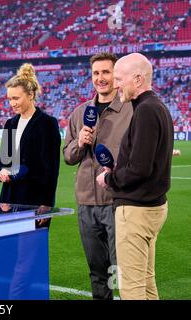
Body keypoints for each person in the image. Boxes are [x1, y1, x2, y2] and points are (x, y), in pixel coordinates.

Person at [96, 53, 174, 300]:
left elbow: (139, 169)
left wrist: (109, 179)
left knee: (131, 288)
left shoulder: (145, 111)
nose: (115, 84)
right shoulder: (157, 106)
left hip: (137, 210)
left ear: (138, 80)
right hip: (153, 207)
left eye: (119, 78)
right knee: (146, 282)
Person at [63, 53, 133, 300]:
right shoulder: (79, 112)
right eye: (96, 73)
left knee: (121, 270)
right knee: (96, 270)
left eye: (106, 72)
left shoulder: (130, 109)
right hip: (86, 203)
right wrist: (79, 143)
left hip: (117, 201)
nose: (101, 78)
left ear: (115, 76)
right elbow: (68, 156)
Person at [0, 63, 60, 209]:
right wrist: (2, 171)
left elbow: (51, 169)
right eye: (9, 99)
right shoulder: (10, 123)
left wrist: (46, 203)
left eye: (16, 98)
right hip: (8, 198)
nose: (12, 103)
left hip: (35, 199)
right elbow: (3, 160)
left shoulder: (47, 123)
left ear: (30, 95)